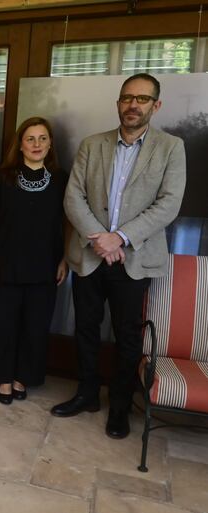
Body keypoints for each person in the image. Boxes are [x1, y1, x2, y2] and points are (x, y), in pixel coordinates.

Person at [52, 73, 186, 439]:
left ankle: (121, 406)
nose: (133, 105)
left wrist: (120, 238)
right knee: (86, 328)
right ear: (118, 103)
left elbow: (169, 204)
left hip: (135, 258)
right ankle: (87, 393)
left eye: (142, 99)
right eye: (128, 98)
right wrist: (100, 239)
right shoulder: (92, 145)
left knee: (127, 335)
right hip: (92, 255)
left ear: (155, 106)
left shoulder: (171, 148)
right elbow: (72, 197)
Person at [0, 117, 68, 404]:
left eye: (42, 138)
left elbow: (68, 224)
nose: (37, 144)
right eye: (30, 138)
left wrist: (64, 259)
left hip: (44, 267)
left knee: (34, 327)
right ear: (21, 144)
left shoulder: (61, 180)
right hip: (5, 265)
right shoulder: (2, 176)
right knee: (2, 325)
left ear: (50, 143)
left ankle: (22, 378)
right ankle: (3, 378)